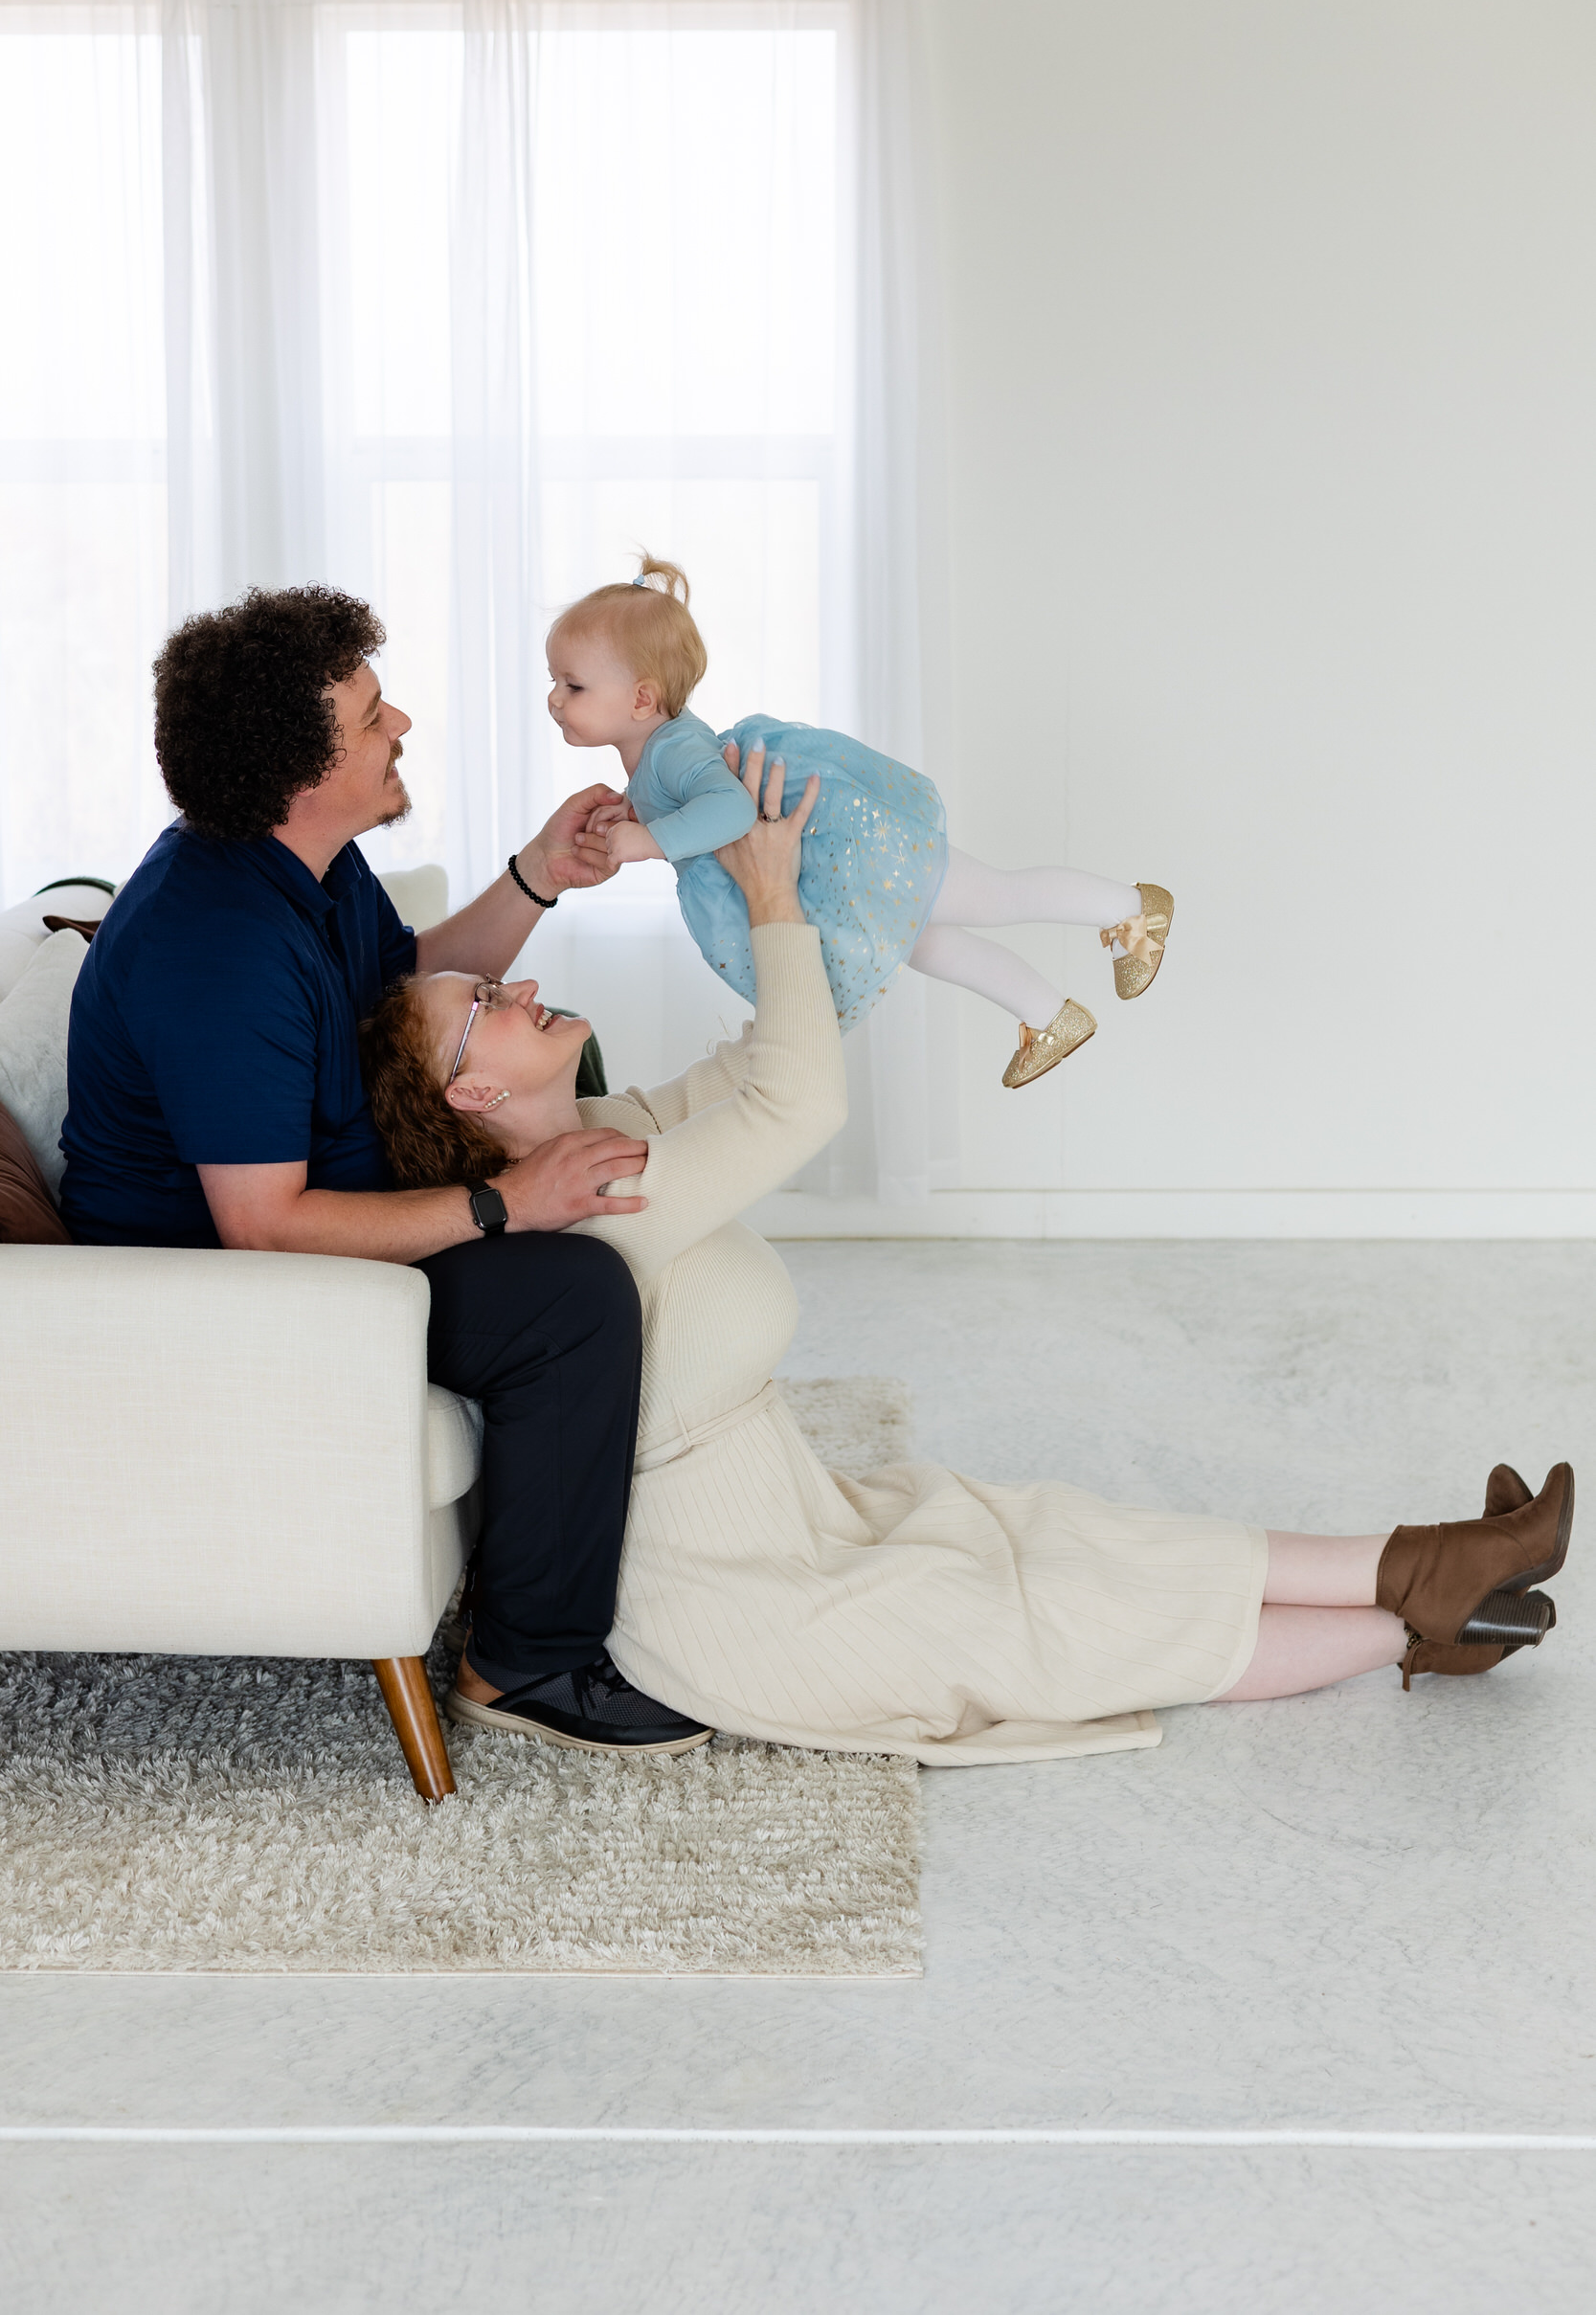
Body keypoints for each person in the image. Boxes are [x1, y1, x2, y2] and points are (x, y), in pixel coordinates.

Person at [359, 745, 1570, 1763]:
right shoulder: (592, 1196)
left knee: (1061, 1535)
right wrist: (770, 899)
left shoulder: (604, 1135)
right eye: (483, 1000)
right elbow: (793, 1103)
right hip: (740, 1603)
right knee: (1035, 1618)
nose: (517, 983)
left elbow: (757, 1060)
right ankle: (1428, 1613)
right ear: (467, 1092)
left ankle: (1426, 1567)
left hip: (795, 1519)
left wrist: (854, 914)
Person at [59, 583, 709, 1754]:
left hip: (292, 1211)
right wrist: (504, 1203)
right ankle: (525, 1663)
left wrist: (537, 877)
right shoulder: (219, 948)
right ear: (300, 771)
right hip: (204, 1285)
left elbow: (399, 979)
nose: (399, 721)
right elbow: (261, 1225)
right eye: (369, 719)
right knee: (568, 1301)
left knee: (580, 1151)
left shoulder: (300, 864)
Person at [545, 556, 1172, 1090]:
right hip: (833, 868)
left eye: (571, 685)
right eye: (554, 682)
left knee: (993, 896)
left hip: (854, 850)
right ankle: (1050, 1014)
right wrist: (636, 810)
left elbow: (729, 809)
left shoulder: (675, 751)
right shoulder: (659, 755)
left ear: (641, 700)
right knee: (923, 945)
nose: (553, 699)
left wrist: (650, 839)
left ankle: (1132, 907)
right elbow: (694, 799)